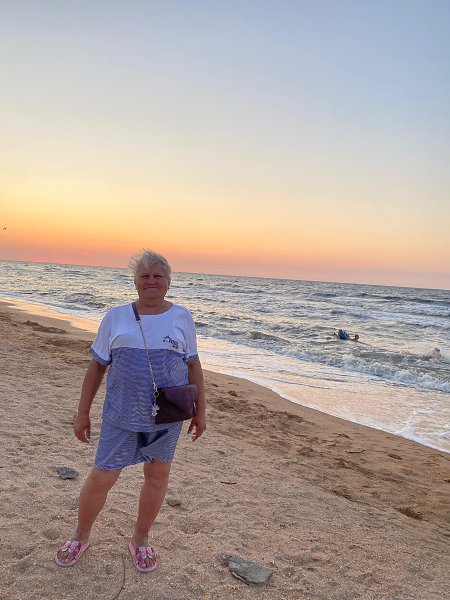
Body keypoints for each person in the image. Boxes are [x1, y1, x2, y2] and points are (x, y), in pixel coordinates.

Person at [54, 250, 206, 572]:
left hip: (167, 417)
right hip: (120, 415)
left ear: (168, 282)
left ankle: (140, 538)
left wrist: (200, 411)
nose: (151, 281)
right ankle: (80, 535)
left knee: (157, 476)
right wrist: (82, 413)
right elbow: (97, 367)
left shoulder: (182, 317)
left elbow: (193, 365)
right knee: (102, 476)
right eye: (144, 276)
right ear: (135, 282)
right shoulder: (116, 317)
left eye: (158, 276)